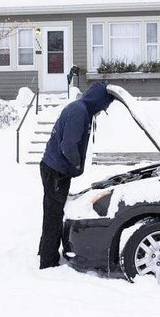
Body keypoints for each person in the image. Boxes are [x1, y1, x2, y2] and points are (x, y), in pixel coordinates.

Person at [38, 81, 114, 269]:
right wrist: (77, 163)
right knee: (53, 214)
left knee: (53, 211)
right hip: (56, 170)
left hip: (57, 169)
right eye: (105, 104)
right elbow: (68, 145)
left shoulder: (82, 109)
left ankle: (45, 251)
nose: (104, 108)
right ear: (98, 100)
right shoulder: (79, 112)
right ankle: (48, 262)